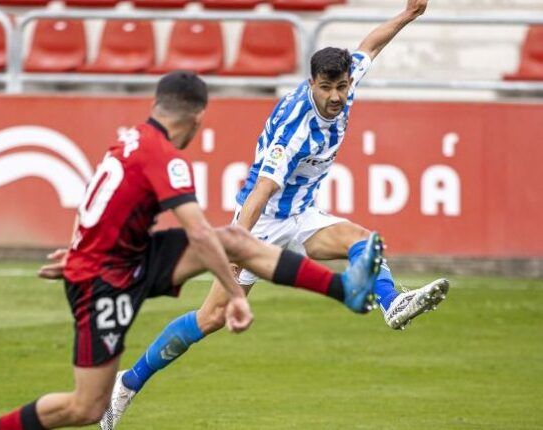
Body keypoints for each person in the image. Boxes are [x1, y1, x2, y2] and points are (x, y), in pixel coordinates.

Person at [0, 71, 384, 430]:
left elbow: (101, 208)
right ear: (198, 118)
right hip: (104, 283)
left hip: (127, 258)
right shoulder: (164, 159)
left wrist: (77, 253)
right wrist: (235, 295)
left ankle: (345, 288)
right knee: (87, 407)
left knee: (236, 238)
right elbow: (199, 234)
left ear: (157, 105)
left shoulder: (129, 141)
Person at [100, 1, 450, 428]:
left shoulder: (348, 78)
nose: (336, 96)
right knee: (210, 318)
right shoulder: (294, 128)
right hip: (261, 224)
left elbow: (369, 45)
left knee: (363, 240)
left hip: (301, 214)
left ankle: (392, 302)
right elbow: (260, 193)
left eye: (341, 86)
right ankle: (127, 384)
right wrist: (233, 246)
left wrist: (408, 15)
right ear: (312, 83)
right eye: (327, 88)